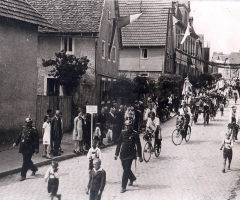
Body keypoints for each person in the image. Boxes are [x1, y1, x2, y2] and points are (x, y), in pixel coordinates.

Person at [114, 120, 143, 193]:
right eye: (127, 126)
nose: (128, 127)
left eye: (129, 126)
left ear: (131, 126)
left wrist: (140, 156)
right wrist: (116, 154)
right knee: (126, 169)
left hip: (131, 154)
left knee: (126, 169)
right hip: (123, 153)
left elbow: (138, 145)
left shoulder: (135, 134)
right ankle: (132, 178)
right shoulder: (123, 133)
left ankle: (123, 186)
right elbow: (119, 143)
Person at [13, 116, 39, 181]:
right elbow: (20, 136)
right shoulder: (23, 128)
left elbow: (36, 140)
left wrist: (36, 148)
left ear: (31, 123)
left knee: (25, 161)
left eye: (29, 123)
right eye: (27, 122)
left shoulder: (34, 130)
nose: (27, 124)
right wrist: (16, 143)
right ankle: (34, 168)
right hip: (23, 147)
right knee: (27, 160)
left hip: (30, 148)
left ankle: (23, 175)